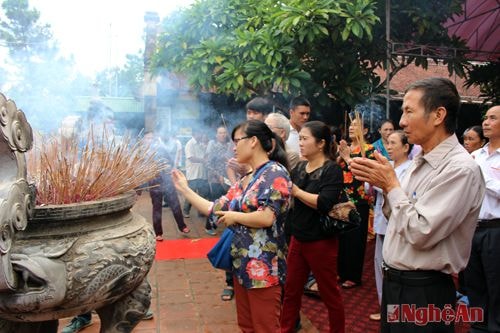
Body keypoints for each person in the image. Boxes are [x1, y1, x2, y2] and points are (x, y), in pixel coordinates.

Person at [350, 77, 485, 333]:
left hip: (424, 290)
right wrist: (384, 185)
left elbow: (420, 231)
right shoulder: (418, 161)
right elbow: (398, 218)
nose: (401, 122)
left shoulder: (460, 169)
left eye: (409, 111)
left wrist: (390, 186)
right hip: (397, 285)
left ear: (438, 115)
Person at [172, 120, 291, 332]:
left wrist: (235, 216)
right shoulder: (247, 178)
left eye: (237, 141)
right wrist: (185, 190)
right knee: (247, 326)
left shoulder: (275, 172)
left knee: (265, 328)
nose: (233, 147)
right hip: (242, 265)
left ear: (253, 141)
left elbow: (266, 217)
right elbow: (215, 208)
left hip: (264, 269)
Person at [280, 121, 345, 333]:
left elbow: (325, 203)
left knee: (329, 294)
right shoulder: (299, 167)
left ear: (321, 143)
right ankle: (286, 328)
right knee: (291, 291)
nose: (300, 143)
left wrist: (297, 192)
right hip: (298, 239)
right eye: (299, 138)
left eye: (305, 138)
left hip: (321, 242)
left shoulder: (332, 170)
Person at [368, 130, 413, 322]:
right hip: (381, 223)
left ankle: (396, 311)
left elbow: (400, 191)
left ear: (405, 147)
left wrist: (381, 182)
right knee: (379, 267)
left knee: (395, 271)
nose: (389, 147)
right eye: (388, 143)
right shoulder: (387, 166)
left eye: (394, 143)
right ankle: (383, 307)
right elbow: (371, 190)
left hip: (399, 226)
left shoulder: (411, 169)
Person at [464, 105, 500, 333]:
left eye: (493, 118)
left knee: (496, 286)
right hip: (471, 229)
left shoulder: (476, 162)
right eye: (485, 117)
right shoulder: (474, 156)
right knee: (473, 284)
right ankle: (477, 327)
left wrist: (481, 175)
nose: (486, 122)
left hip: (496, 230)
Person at [337, 116, 375, 289]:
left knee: (355, 239)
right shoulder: (345, 147)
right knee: (341, 238)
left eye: (357, 125)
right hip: (342, 198)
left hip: (359, 200)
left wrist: (346, 157)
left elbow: (365, 174)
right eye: (351, 125)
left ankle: (353, 275)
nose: (352, 128)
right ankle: (340, 271)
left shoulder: (369, 150)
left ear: (365, 130)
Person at [143, 131, 190, 241]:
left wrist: (169, 167)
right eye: (147, 138)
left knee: (175, 204)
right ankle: (158, 233)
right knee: (157, 208)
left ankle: (182, 226)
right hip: (154, 183)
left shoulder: (161, 149)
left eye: (151, 138)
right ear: (144, 140)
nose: (150, 140)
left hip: (167, 180)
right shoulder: (142, 153)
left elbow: (171, 161)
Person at [204, 124, 234, 235]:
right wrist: (218, 176)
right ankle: (209, 226)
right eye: (220, 133)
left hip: (229, 179)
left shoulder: (229, 146)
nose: (222, 135)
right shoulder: (213, 145)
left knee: (230, 203)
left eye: (224, 132)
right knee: (216, 204)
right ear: (216, 135)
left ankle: (229, 226)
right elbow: (207, 163)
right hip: (216, 180)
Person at [182, 131, 209, 218]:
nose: (200, 135)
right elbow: (191, 158)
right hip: (193, 173)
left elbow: (205, 155)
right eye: (199, 133)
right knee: (191, 193)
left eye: (201, 133)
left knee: (203, 193)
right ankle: (186, 210)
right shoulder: (189, 144)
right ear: (194, 134)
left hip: (202, 172)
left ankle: (201, 211)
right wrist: (203, 160)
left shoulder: (201, 144)